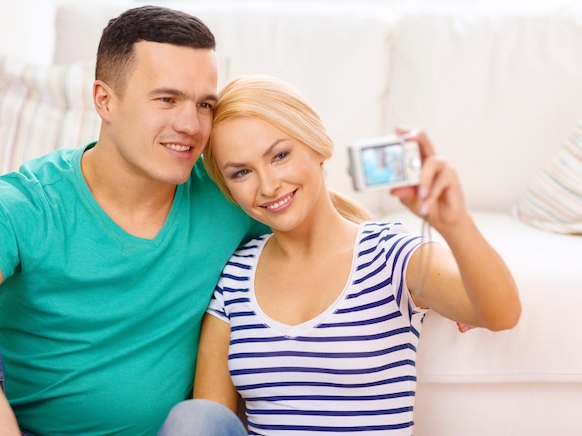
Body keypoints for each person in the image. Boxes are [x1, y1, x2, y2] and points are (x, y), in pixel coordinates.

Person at [0, 6, 268, 436]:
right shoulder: (30, 201)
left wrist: (397, 206)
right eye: (167, 99)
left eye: (204, 104)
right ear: (105, 100)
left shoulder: (228, 190)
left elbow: (326, 223)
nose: (190, 124)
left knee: (203, 421)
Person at [173, 75, 521, 435]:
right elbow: (208, 419)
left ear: (318, 146)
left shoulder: (390, 256)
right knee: (192, 419)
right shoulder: (235, 275)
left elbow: (501, 313)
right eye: (242, 172)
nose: (267, 185)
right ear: (228, 189)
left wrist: (453, 222)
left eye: (280, 155)